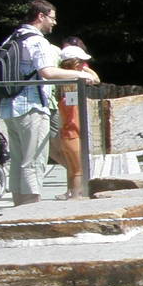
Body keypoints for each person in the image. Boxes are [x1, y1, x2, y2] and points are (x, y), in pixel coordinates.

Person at [0, 0, 98, 207]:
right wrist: (78, 75)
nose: (55, 22)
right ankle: (32, 211)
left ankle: (18, 210)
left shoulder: (13, 37)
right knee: (33, 161)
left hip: (9, 106)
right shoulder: (37, 41)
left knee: (18, 160)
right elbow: (48, 72)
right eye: (52, 17)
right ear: (41, 16)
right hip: (32, 107)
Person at [50, 39, 93, 199]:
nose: (84, 66)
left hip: (66, 133)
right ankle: (76, 197)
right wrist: (84, 72)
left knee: (72, 168)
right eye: (81, 63)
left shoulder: (64, 86)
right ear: (75, 65)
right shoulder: (73, 89)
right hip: (73, 133)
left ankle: (71, 194)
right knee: (78, 170)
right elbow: (95, 79)